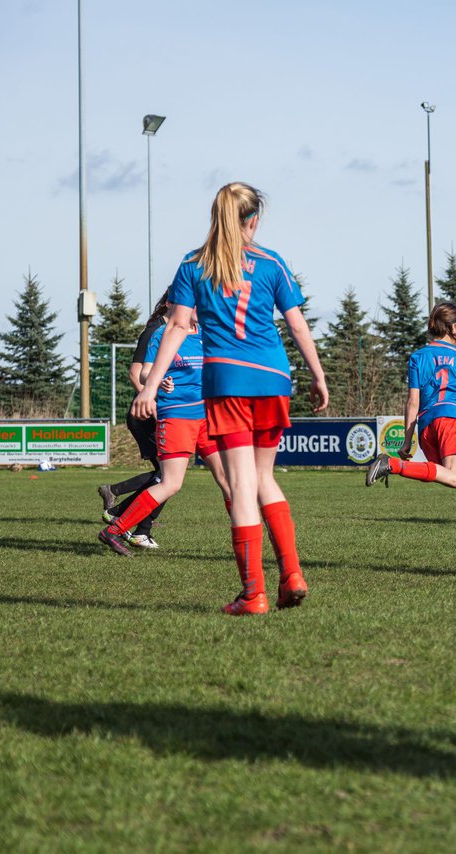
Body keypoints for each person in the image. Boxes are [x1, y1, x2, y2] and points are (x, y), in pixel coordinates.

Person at [134, 182, 329, 616]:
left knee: (242, 486)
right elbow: (297, 326)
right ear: (253, 220)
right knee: (266, 479)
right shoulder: (272, 262)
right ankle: (292, 574)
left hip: (226, 383)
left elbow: (178, 327)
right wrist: (318, 376)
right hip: (274, 378)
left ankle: (253, 594)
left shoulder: (192, 265)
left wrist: (149, 386)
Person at [365, 302, 456, 569]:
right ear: (452, 327)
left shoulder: (418, 356)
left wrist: (407, 439)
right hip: (452, 419)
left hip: (427, 426)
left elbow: (412, 401)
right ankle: (392, 465)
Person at [98, 310, 232, 556]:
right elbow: (145, 372)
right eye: (199, 303)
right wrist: (159, 382)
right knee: (170, 483)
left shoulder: (205, 334)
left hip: (205, 418)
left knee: (228, 479)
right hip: (177, 416)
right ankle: (115, 530)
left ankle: (243, 541)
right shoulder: (164, 334)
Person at [97, 295, 170, 547]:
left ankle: (120, 504)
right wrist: (149, 400)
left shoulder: (172, 331)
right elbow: (135, 373)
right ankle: (135, 525)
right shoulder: (154, 331)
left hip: (157, 410)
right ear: (169, 304)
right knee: (167, 475)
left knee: (166, 474)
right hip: (146, 413)